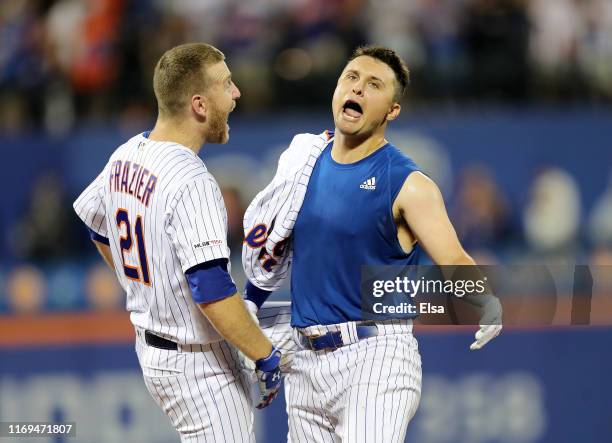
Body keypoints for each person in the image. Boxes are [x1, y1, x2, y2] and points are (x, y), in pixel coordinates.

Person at [241, 45, 502, 442]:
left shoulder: (407, 182)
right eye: (351, 78)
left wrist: (487, 303)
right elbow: (270, 256)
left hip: (375, 356)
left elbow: (452, 257)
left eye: (374, 85)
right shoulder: (301, 163)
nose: (358, 89)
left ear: (391, 111)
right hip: (305, 360)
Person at [73, 43, 282, 443]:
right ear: (200, 105)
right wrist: (264, 355)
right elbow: (211, 290)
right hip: (198, 366)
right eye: (226, 84)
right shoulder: (192, 180)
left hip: (155, 349)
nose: (236, 93)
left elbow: (99, 230)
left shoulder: (127, 154)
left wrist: (147, 288)